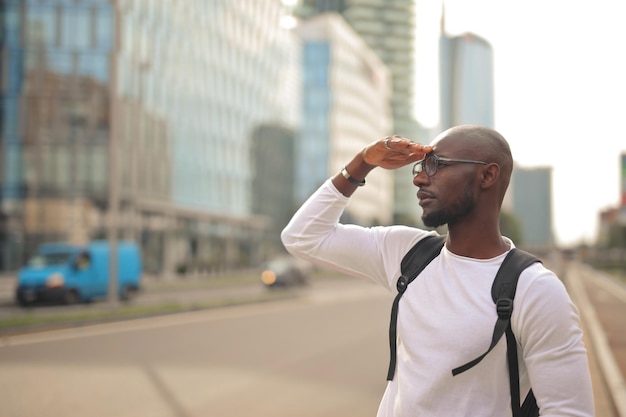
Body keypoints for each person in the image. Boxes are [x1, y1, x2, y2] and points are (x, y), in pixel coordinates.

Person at [281, 125, 594, 417]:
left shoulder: (535, 290)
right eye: (421, 167)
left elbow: (567, 410)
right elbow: (302, 236)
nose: (419, 179)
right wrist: (363, 162)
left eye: (436, 165)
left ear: (487, 175)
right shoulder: (408, 253)